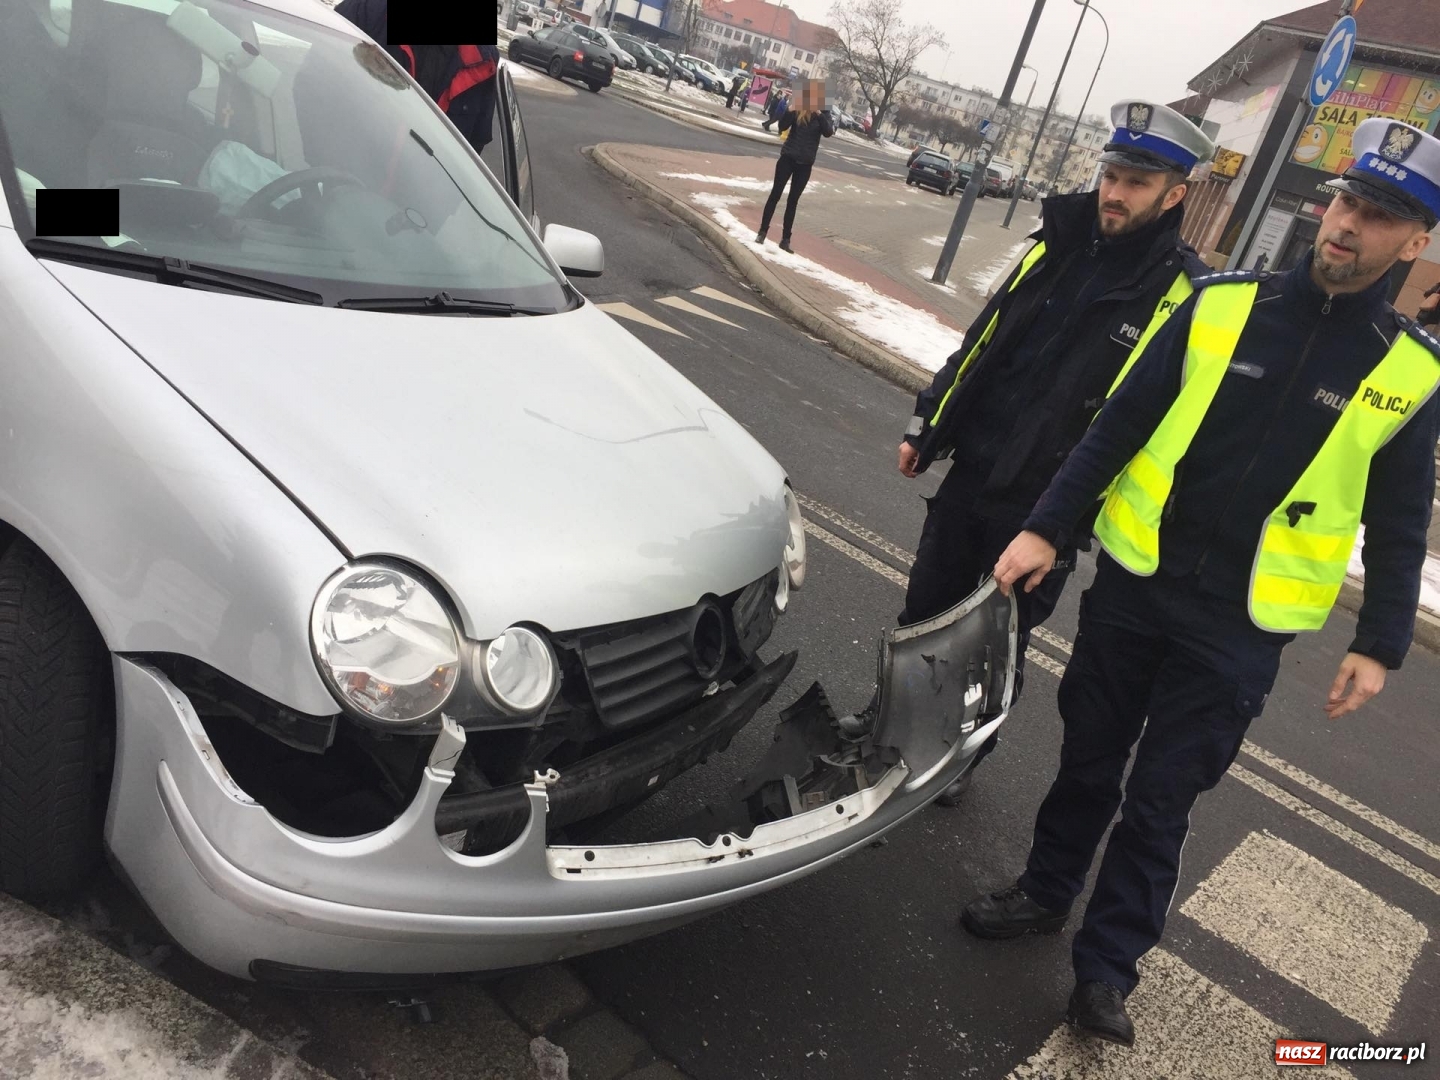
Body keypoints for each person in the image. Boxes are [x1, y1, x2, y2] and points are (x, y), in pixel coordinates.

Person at [976, 116, 1440, 1047]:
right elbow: (1118, 427)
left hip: (1241, 625)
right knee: (1089, 762)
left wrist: (1380, 642)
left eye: (1381, 215)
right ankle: (1044, 889)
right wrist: (1043, 527)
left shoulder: (1410, 371)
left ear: (1415, 243)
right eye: (1347, 200)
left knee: (1161, 800)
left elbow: (1399, 522)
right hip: (1140, 584)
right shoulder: (1222, 304)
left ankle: (1105, 972)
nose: (1349, 223)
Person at [838, 101, 1215, 806]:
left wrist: (1066, 524)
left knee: (992, 641)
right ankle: (894, 723)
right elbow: (983, 343)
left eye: (1136, 181)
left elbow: (1151, 429)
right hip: (977, 467)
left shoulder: (1182, 295)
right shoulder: (1057, 244)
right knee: (925, 608)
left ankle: (956, 756)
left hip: (1047, 503)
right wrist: (931, 420)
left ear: (1174, 194)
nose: (1114, 191)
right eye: (1111, 173)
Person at [754, 80, 834, 252]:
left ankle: (785, 240)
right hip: (788, 158)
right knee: (775, 194)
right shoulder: (798, 108)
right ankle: (762, 231)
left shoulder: (824, 114)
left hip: (805, 164)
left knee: (793, 201)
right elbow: (782, 127)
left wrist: (819, 113)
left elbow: (828, 132)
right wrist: (789, 110)